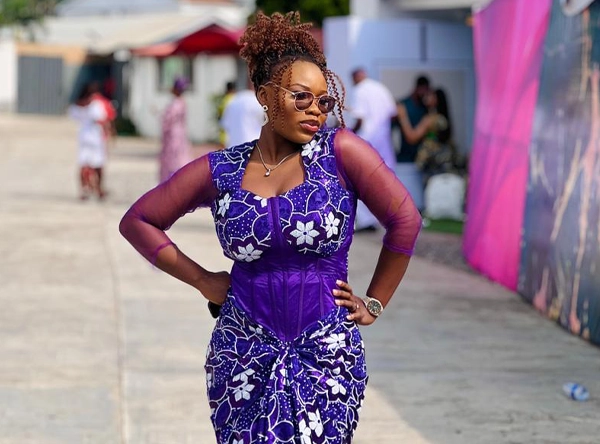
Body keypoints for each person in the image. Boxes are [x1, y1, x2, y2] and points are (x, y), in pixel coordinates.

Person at [119, 11, 421, 444]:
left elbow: (405, 219)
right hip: (242, 351)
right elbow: (138, 221)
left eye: (324, 101)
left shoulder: (341, 154)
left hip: (324, 351)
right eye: (302, 97)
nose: (315, 109)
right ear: (264, 95)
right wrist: (203, 280)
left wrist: (375, 302)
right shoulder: (222, 169)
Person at [350, 67, 398, 232]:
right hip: (383, 141)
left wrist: (348, 133)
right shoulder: (380, 88)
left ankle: (366, 220)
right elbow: (393, 114)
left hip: (367, 141)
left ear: (355, 78)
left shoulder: (359, 90)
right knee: (385, 181)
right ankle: (389, 218)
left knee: (360, 181)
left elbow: (360, 119)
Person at [396, 75, 431, 211]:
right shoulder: (403, 105)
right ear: (417, 88)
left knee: (419, 199)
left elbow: (413, 137)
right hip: (405, 156)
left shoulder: (426, 110)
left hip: (423, 157)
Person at [69, 83, 109, 200]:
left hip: (83, 136)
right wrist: (107, 133)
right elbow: (102, 119)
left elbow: (73, 116)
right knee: (98, 165)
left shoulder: (77, 105)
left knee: (83, 165)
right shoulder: (95, 105)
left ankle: (84, 189)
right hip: (95, 137)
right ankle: (99, 188)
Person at [159, 77, 192, 183]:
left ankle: (171, 180)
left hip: (173, 134)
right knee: (180, 155)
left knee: (172, 158)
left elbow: (168, 120)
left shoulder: (175, 104)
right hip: (180, 133)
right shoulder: (182, 102)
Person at [220, 82, 264, 147]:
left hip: (234, 147)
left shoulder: (232, 100)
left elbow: (225, 126)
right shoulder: (258, 101)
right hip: (254, 147)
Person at [217, 81, 237, 147]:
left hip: (225, 130)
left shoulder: (224, 100)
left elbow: (220, 115)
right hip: (235, 129)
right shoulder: (237, 99)